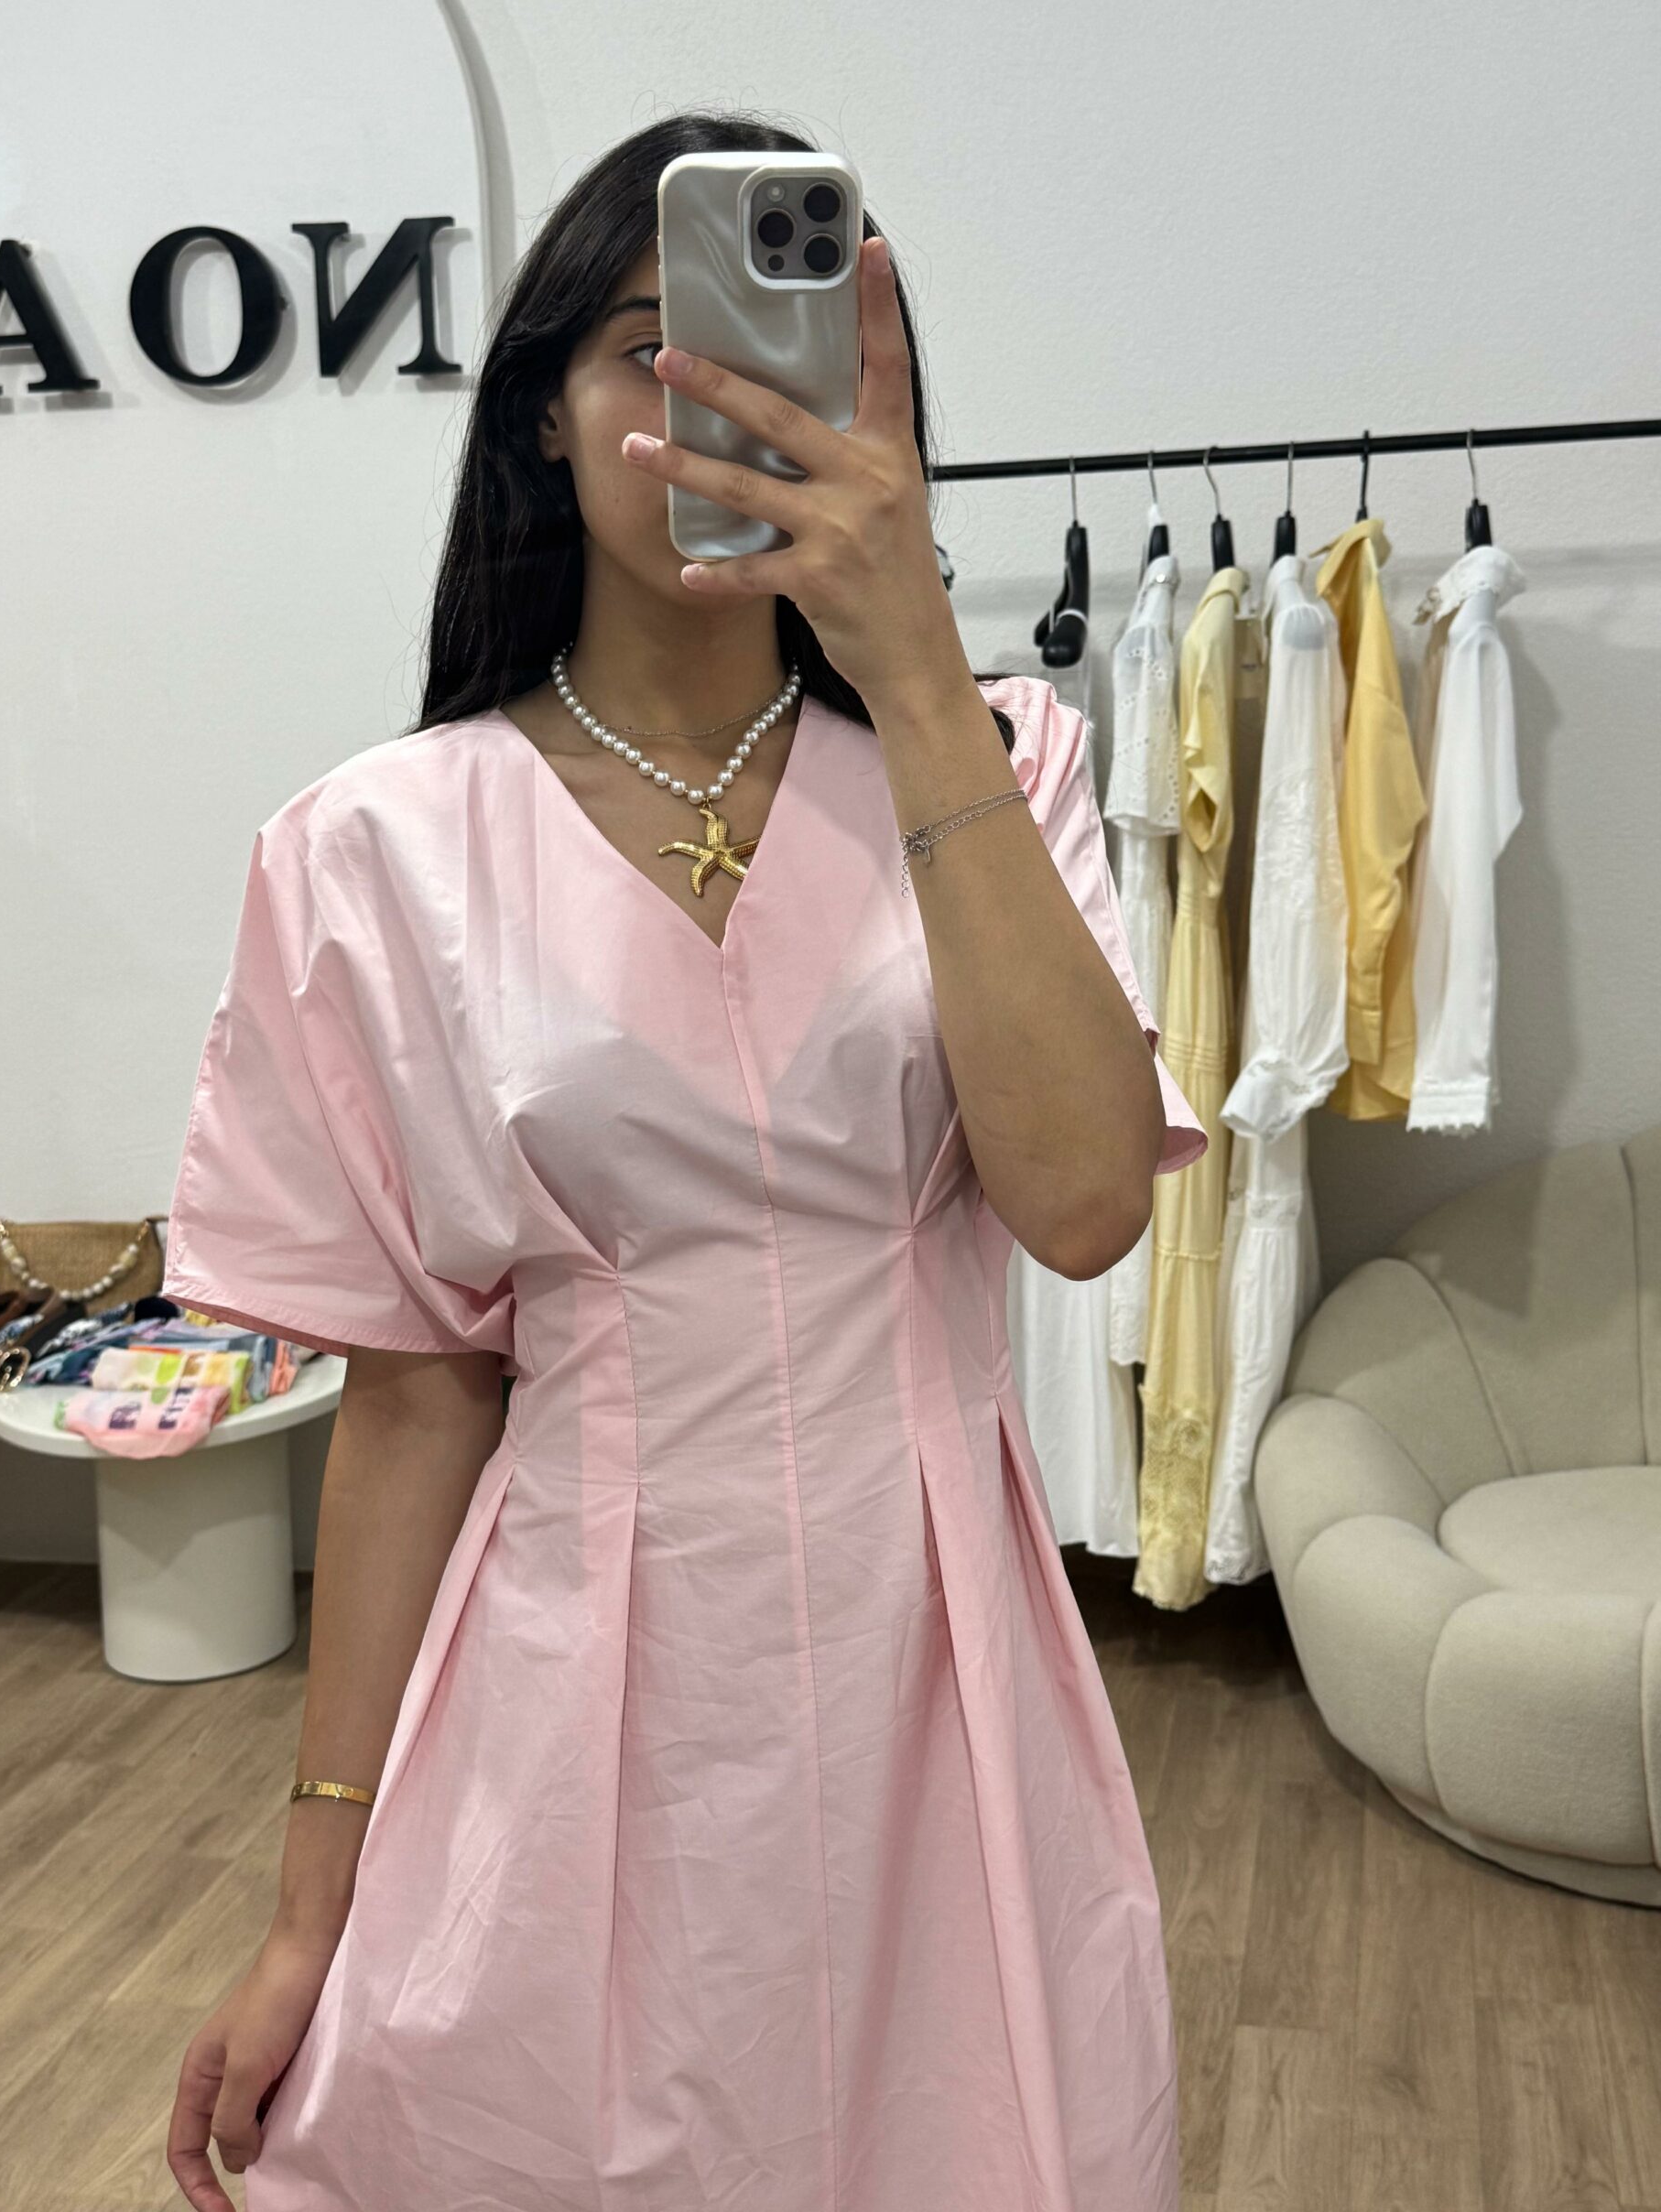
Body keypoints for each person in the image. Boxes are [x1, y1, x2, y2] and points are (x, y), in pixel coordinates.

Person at [162, 110, 1207, 2212]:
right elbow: (416, 1398)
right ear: (542, 416)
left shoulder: (996, 769)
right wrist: (305, 1907)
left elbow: (1089, 1201)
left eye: (772, 347)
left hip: (940, 1672)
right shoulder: (378, 851)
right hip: (576, 1688)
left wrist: (914, 657)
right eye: (650, 346)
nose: (710, 397)